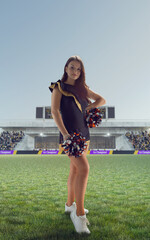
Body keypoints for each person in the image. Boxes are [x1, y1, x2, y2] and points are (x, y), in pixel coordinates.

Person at [49, 56, 106, 234]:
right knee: (84, 168)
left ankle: (69, 205)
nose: (75, 71)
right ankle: (79, 215)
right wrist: (65, 134)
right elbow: (55, 111)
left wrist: (87, 109)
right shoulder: (59, 87)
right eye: (72, 67)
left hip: (84, 134)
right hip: (70, 136)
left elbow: (101, 100)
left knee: (75, 170)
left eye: (78, 69)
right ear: (66, 68)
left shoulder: (82, 89)